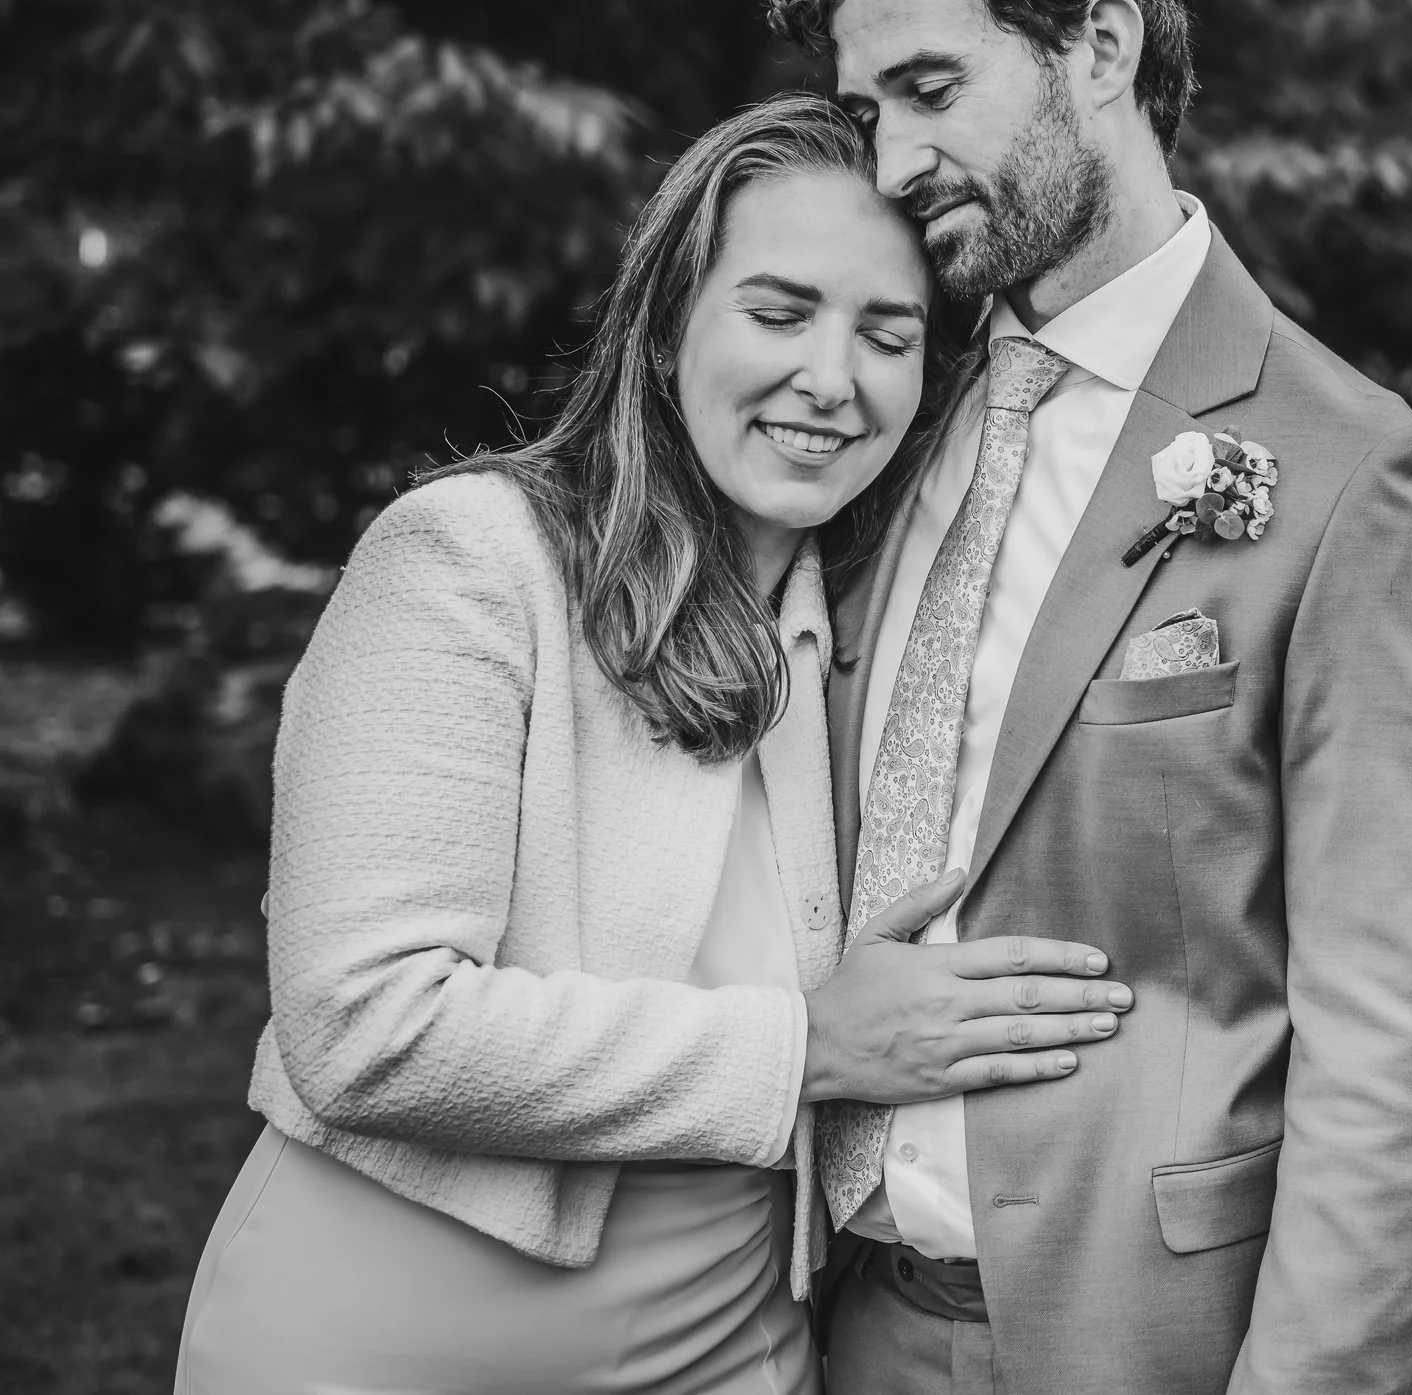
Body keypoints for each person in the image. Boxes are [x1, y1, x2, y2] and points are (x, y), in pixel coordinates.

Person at [172, 94, 1133, 1395]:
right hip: (396, 1341)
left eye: (887, 334)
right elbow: (367, 1023)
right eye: (780, 312)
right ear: (669, 321)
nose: (831, 378)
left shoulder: (854, 633)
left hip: (731, 1348)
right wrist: (810, 1046)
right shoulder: (472, 562)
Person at [769, 0, 1412, 1395]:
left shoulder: (1357, 479)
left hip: (1143, 1345)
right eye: (864, 109)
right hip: (839, 1325)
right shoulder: (889, 427)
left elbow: (1390, 1047)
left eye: (928, 89)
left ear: (1099, 47)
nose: (892, 162)